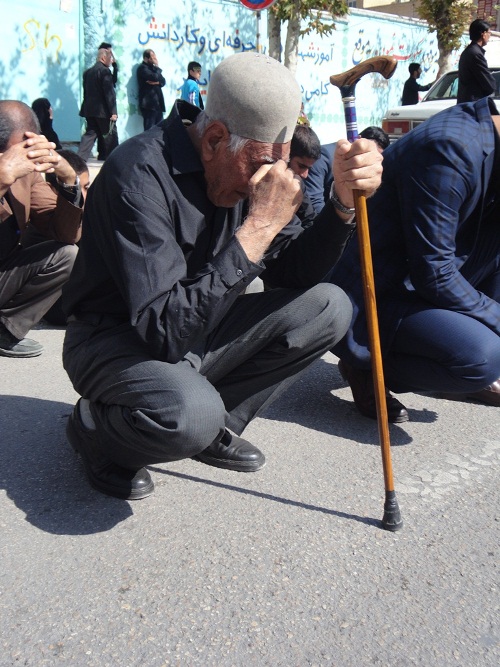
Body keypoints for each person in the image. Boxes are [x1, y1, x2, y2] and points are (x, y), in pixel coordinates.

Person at [62, 51, 382, 501]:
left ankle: (216, 423)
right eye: (260, 164)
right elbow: (162, 331)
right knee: (189, 414)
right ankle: (97, 429)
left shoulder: (250, 167)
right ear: (214, 139)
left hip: (199, 323)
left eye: (277, 165)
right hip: (116, 338)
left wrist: (342, 204)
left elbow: (295, 272)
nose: (263, 182)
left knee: (329, 306)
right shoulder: (137, 174)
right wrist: (258, 228)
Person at [329, 96, 500, 423]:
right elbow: (434, 274)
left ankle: (461, 347)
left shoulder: (489, 137)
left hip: (425, 279)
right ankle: (365, 366)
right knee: (483, 359)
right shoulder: (451, 149)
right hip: (377, 295)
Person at [0, 101, 83, 357]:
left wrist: (68, 179)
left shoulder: (26, 171)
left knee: (66, 254)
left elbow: (65, 234)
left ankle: (5, 331)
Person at [305, 126, 389, 215]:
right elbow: (314, 206)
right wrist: (343, 208)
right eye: (368, 154)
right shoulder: (325, 156)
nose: (371, 163)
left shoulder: (377, 170)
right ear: (359, 141)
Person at [77, 46, 118, 162]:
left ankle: (79, 159)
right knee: (111, 136)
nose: (111, 61)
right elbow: (109, 93)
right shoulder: (104, 71)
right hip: (103, 111)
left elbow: (86, 92)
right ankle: (114, 160)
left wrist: (115, 67)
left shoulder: (87, 72)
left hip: (90, 110)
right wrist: (113, 112)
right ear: (103, 58)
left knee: (90, 135)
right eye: (109, 58)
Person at [457, 19, 496, 104]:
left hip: (467, 102)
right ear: (483, 34)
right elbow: (489, 84)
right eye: (489, 33)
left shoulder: (469, 51)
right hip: (474, 105)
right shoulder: (475, 54)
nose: (489, 36)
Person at [137, 49, 166, 130]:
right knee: (149, 130)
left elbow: (163, 81)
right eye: (152, 57)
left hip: (158, 104)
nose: (154, 59)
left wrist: (157, 82)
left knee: (160, 129)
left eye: (154, 57)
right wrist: (157, 68)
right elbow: (154, 77)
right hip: (149, 105)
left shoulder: (154, 69)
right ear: (146, 58)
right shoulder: (142, 68)